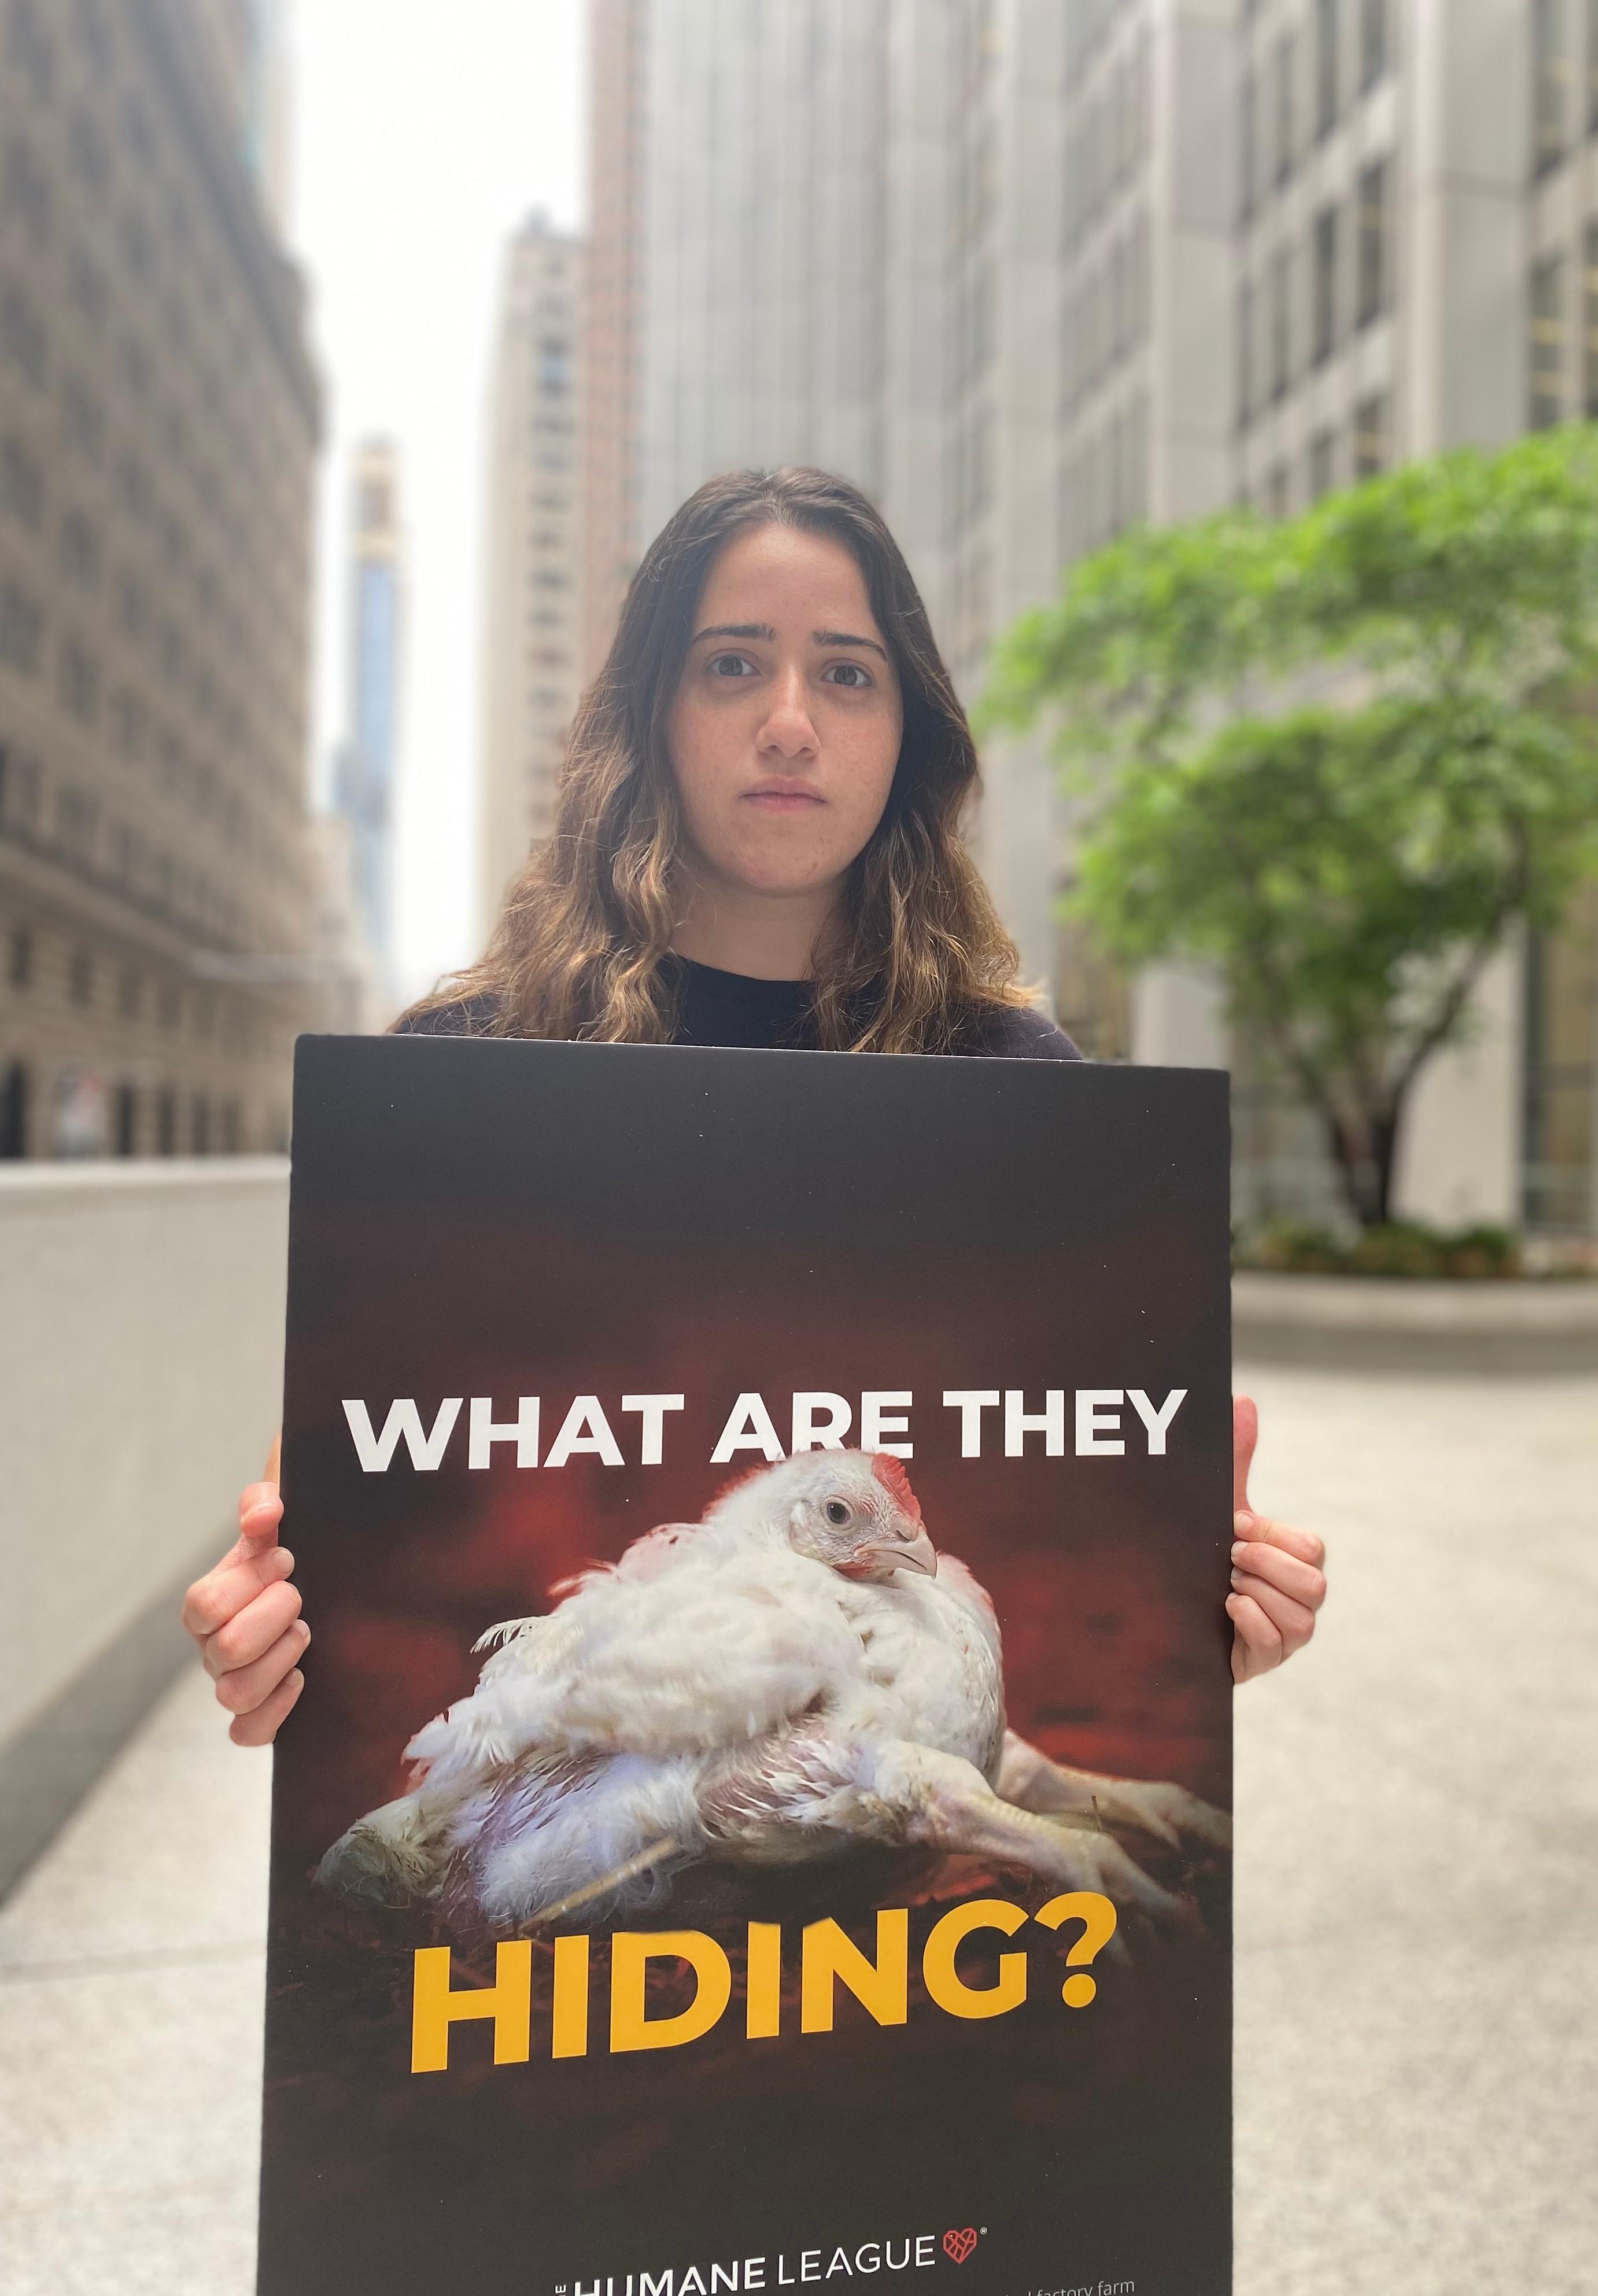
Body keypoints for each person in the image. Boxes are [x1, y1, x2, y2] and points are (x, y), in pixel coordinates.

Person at [181, 466, 1328, 1746]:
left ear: (911, 735)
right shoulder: (461, 1072)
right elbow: (332, 1489)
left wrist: (1213, 1598)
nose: (791, 721)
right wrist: (269, 1623)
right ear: (654, 711)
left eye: (846, 674)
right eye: (733, 665)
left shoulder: (1021, 1083)